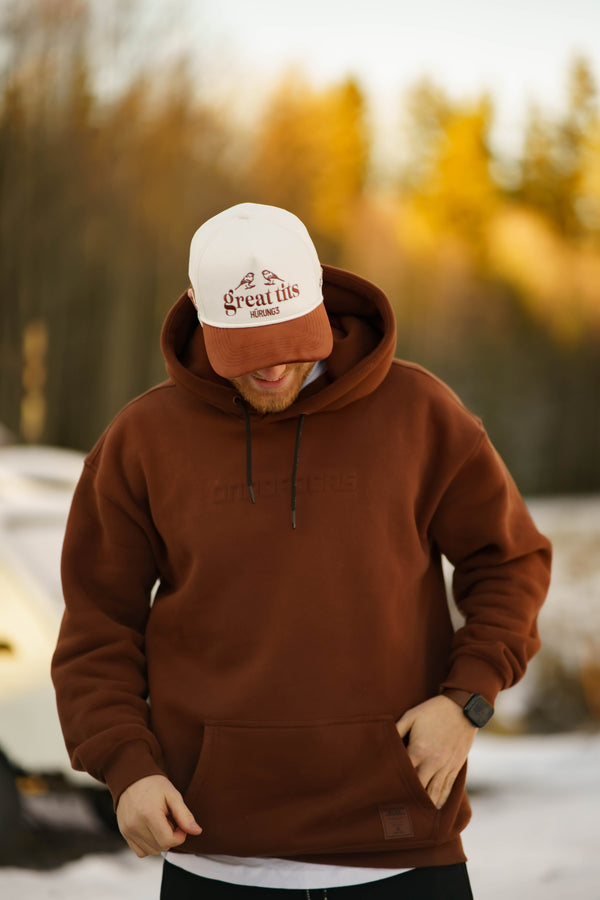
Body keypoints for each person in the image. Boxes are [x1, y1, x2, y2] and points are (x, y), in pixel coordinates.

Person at [52, 202, 552, 899]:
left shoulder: (419, 412)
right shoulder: (142, 442)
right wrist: (126, 768)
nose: (273, 368)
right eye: (247, 351)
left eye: (288, 339)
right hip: (212, 854)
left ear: (317, 294)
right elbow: (97, 627)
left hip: (403, 849)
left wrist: (465, 701)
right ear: (199, 309)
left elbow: (510, 561)